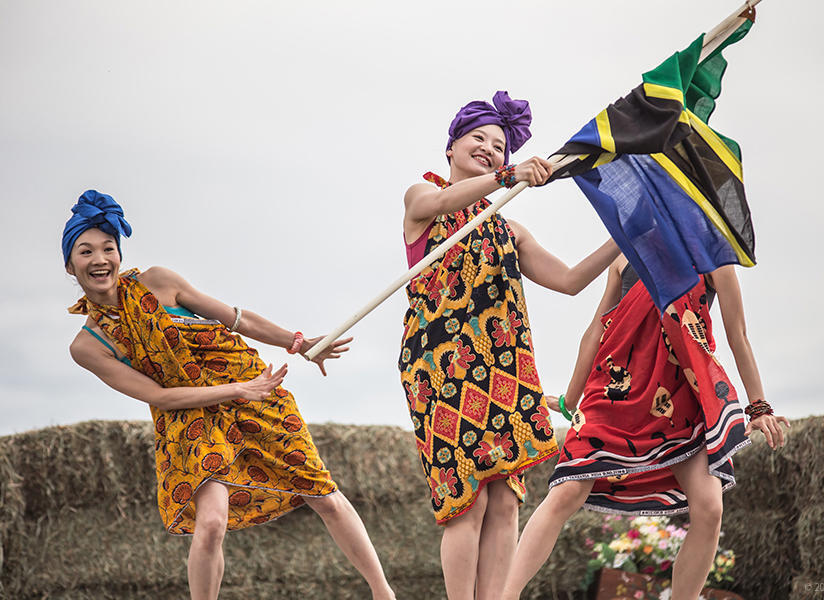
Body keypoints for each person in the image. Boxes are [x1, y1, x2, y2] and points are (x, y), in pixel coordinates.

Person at [63, 190, 395, 600]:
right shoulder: (88, 346)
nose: (100, 259)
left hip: (256, 394)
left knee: (323, 495)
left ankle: (384, 594)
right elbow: (160, 397)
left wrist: (299, 344)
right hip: (190, 415)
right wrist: (238, 390)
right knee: (212, 523)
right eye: (86, 251)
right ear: (69, 265)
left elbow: (237, 318)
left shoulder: (159, 282)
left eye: (108, 248)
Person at [399, 91, 620, 600]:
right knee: (470, 499)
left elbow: (567, 280)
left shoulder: (509, 228)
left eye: (499, 146)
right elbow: (437, 203)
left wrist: (622, 237)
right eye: (478, 138)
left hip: (504, 366)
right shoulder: (421, 199)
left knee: (504, 501)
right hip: (442, 365)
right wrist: (510, 175)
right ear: (451, 147)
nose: (489, 148)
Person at [499, 256, 791, 600]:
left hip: (678, 398)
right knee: (566, 492)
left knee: (710, 509)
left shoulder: (712, 253)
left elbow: (737, 332)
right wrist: (570, 397)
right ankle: (505, 596)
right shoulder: (623, 253)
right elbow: (597, 329)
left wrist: (758, 405)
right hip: (613, 391)